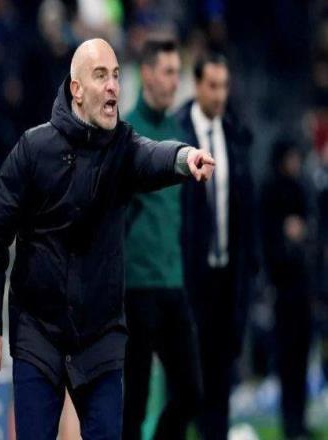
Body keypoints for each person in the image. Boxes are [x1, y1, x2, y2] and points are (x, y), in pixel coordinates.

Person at [0, 38, 215, 440]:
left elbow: (151, 155)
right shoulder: (33, 149)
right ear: (77, 89)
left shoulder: (123, 147)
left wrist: (183, 158)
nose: (112, 86)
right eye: (101, 75)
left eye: (116, 76)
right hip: (38, 334)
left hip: (101, 338)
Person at [122, 39, 202, 440]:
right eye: (168, 72)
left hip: (172, 283)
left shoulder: (178, 132)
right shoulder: (125, 134)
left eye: (177, 73)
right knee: (133, 403)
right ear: (147, 74)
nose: (174, 82)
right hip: (135, 288)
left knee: (191, 393)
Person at [176, 53, 255, 440]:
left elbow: (246, 209)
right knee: (187, 386)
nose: (220, 95)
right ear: (197, 85)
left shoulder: (235, 135)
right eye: (212, 86)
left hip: (227, 279)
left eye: (224, 86)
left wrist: (249, 268)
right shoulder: (177, 135)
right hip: (190, 279)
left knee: (221, 382)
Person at [260, 140, 312, 440]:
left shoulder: (301, 190)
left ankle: (300, 421)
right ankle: (290, 423)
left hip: (302, 293)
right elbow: (268, 244)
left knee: (301, 360)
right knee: (288, 361)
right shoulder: (271, 193)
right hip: (282, 293)